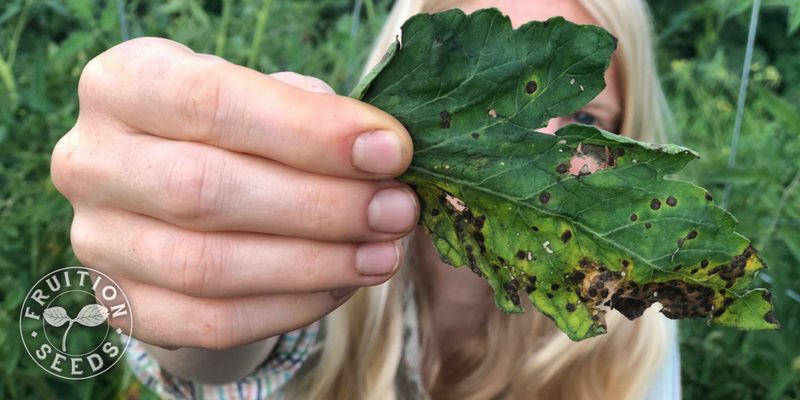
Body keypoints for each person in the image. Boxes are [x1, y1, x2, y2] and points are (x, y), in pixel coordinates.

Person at [50, 0, 680, 398]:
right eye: (480, 97)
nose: (529, 148)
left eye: (585, 122)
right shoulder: (336, 258)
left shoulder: (632, 327)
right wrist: (197, 294)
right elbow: (216, 364)